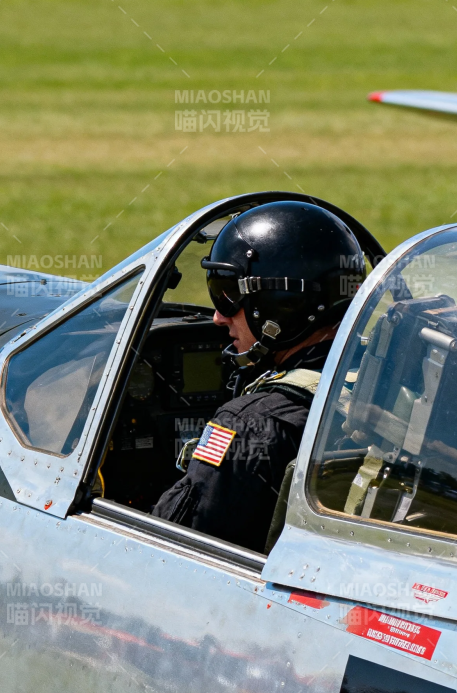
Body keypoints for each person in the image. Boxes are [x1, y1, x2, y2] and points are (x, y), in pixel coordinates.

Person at [151, 201, 365, 553]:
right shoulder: (391, 386)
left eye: (227, 293)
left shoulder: (249, 424)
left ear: (280, 302)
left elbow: (164, 547)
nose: (219, 318)